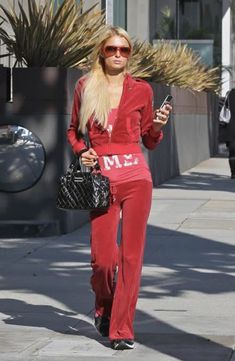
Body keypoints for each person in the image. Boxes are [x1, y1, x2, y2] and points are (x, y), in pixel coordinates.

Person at [67, 26, 172, 350]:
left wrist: (156, 126)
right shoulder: (85, 86)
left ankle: (121, 329)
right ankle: (104, 303)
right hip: (101, 181)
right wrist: (81, 150)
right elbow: (74, 130)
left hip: (137, 179)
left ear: (129, 54)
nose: (117, 55)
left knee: (131, 257)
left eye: (124, 50)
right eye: (112, 49)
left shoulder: (141, 90)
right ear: (102, 51)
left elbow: (149, 141)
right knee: (102, 261)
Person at [219, 89, 235, 178]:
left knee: (232, 153)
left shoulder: (230, 93)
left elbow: (225, 108)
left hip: (231, 127)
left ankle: (233, 173)